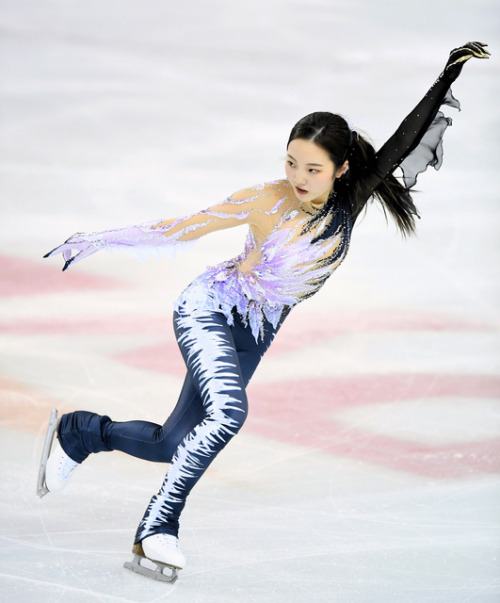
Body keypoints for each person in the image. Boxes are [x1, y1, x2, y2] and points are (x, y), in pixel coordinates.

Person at [39, 42, 490, 582]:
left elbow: (399, 144)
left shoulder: (350, 202)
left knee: (172, 444)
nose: (298, 176)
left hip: (258, 331)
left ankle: (80, 432)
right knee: (228, 414)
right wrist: (98, 238)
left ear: (343, 170)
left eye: (314, 168)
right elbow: (183, 227)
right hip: (210, 309)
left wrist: (446, 78)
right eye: (291, 161)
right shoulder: (264, 199)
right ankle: (158, 528)